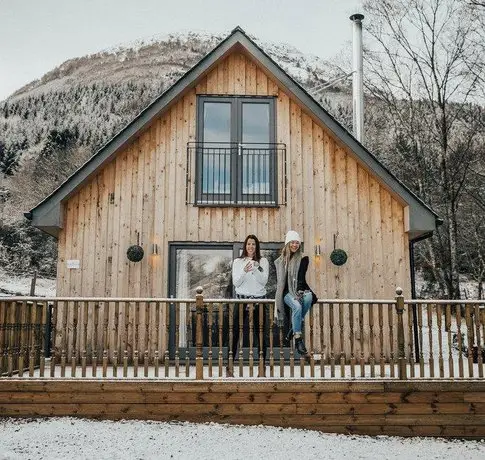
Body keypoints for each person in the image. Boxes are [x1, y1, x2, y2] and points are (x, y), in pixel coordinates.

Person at [229, 234, 269, 375]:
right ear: (245, 246)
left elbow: (263, 281)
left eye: (253, 244)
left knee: (261, 334)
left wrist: (255, 268)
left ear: (256, 246)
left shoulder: (263, 261)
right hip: (241, 300)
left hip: (259, 300)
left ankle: (262, 367)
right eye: (248, 244)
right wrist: (245, 270)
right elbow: (236, 282)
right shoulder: (237, 262)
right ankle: (230, 366)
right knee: (234, 332)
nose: (251, 246)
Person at [274, 230, 317, 357]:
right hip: (286, 292)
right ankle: (298, 339)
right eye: (292, 242)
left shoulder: (303, 259)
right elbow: (281, 283)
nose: (295, 245)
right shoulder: (280, 261)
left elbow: (301, 277)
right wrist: (294, 293)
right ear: (287, 244)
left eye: (297, 243)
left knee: (309, 297)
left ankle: (292, 330)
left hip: (298, 289)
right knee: (297, 307)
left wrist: (300, 291)